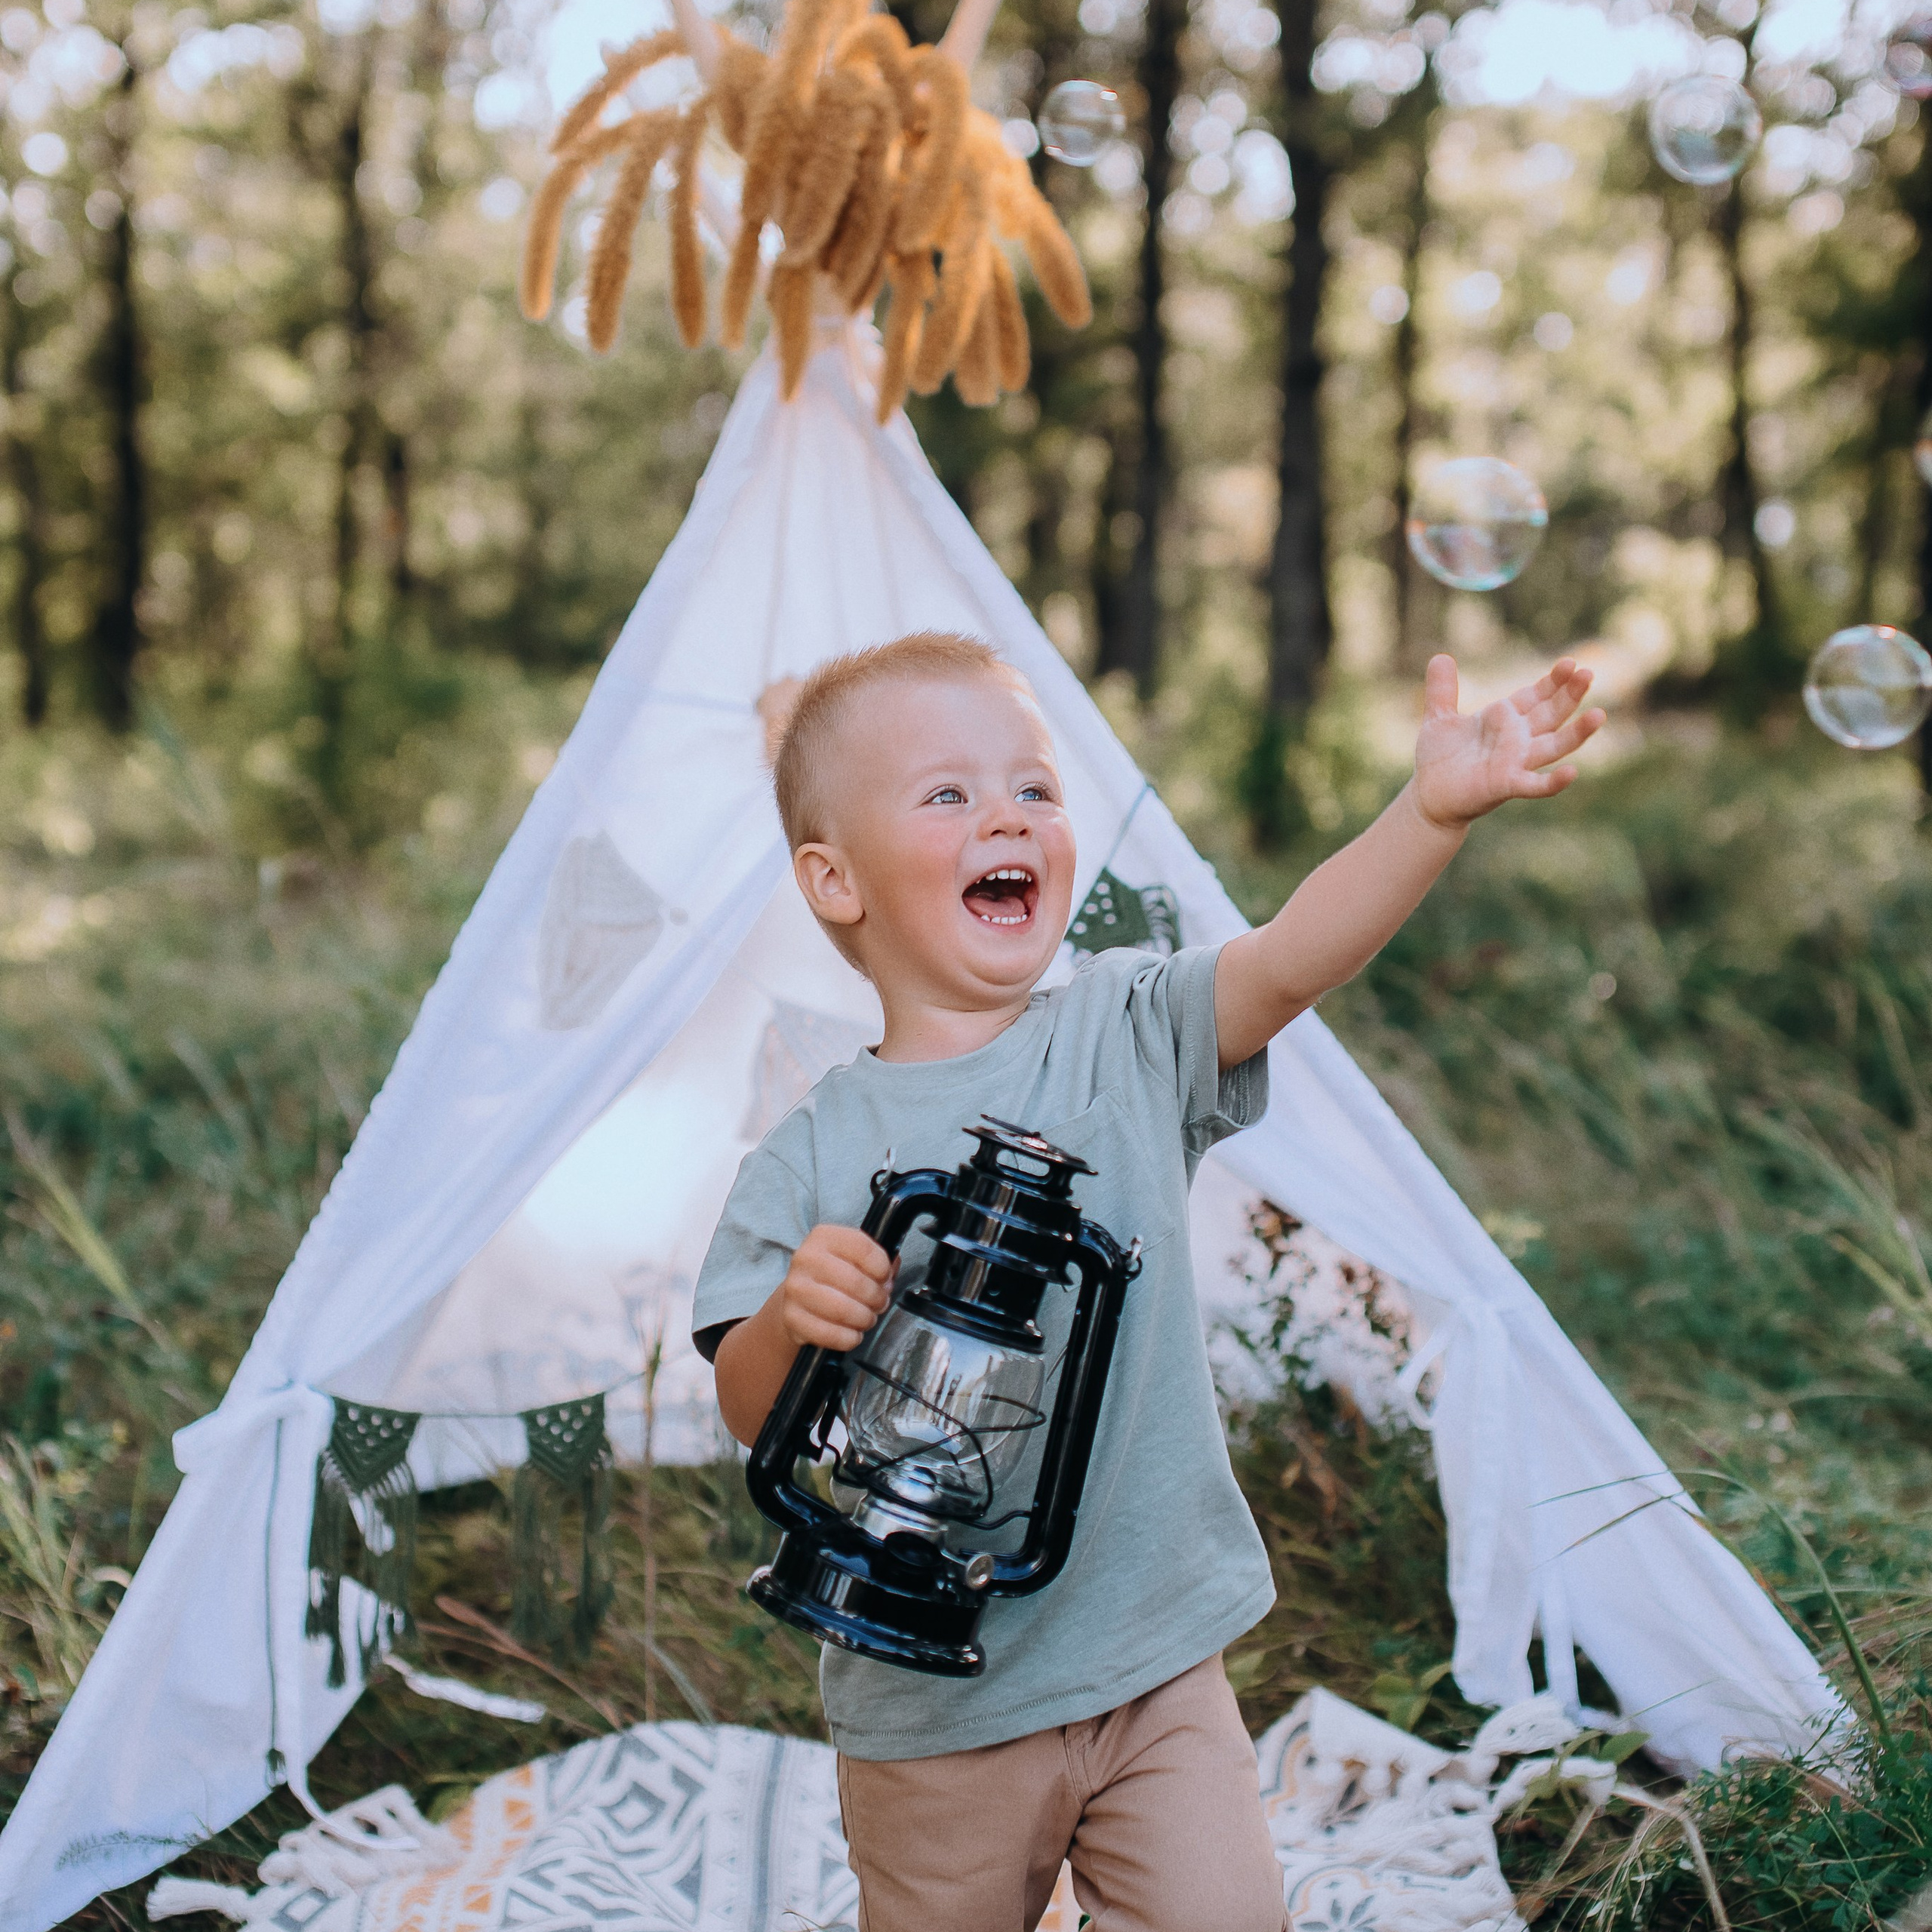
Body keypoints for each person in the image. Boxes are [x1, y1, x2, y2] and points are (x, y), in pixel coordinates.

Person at [691, 630, 1603, 1932]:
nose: (1007, 813)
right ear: (835, 881)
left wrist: (1431, 813)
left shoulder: (1129, 1029)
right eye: (947, 794)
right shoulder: (813, 1152)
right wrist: (794, 1318)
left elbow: (1295, 957)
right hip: (934, 1706)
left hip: (1155, 1662)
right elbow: (745, 1405)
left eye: (1035, 789)